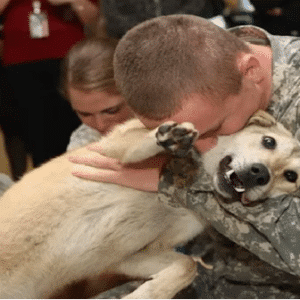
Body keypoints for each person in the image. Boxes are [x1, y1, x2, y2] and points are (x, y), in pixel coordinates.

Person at [69, 15, 300, 298]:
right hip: (208, 274)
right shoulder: (183, 69)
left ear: (251, 71)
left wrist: (177, 182)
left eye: (214, 128)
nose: (202, 144)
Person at [0, 0, 98, 170]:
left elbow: (93, 18)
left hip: (68, 55)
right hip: (19, 60)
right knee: (34, 131)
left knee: (75, 124)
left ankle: (79, 175)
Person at [63, 37, 134, 152]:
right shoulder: (84, 143)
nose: (100, 125)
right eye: (85, 114)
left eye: (111, 111)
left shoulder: (167, 129)